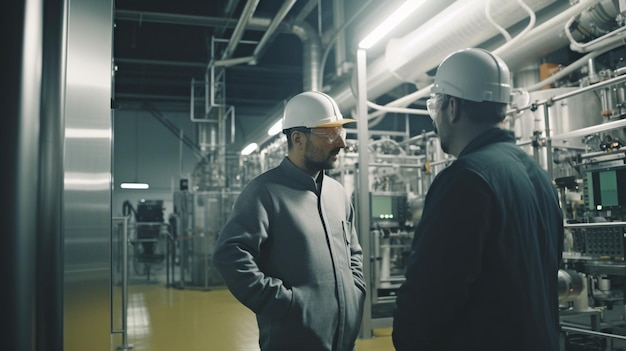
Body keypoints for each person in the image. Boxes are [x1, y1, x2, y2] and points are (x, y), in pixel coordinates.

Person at [392, 48, 564, 351]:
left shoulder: (465, 179)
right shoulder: (538, 176)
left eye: (436, 107)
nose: (436, 121)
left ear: (453, 107)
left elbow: (430, 297)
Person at [213, 91, 366, 351]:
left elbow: (353, 253)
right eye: (329, 133)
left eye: (342, 131)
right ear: (298, 139)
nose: (341, 142)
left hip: (343, 341)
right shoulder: (264, 192)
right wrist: (285, 304)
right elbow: (229, 255)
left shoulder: (337, 193)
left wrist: (355, 291)